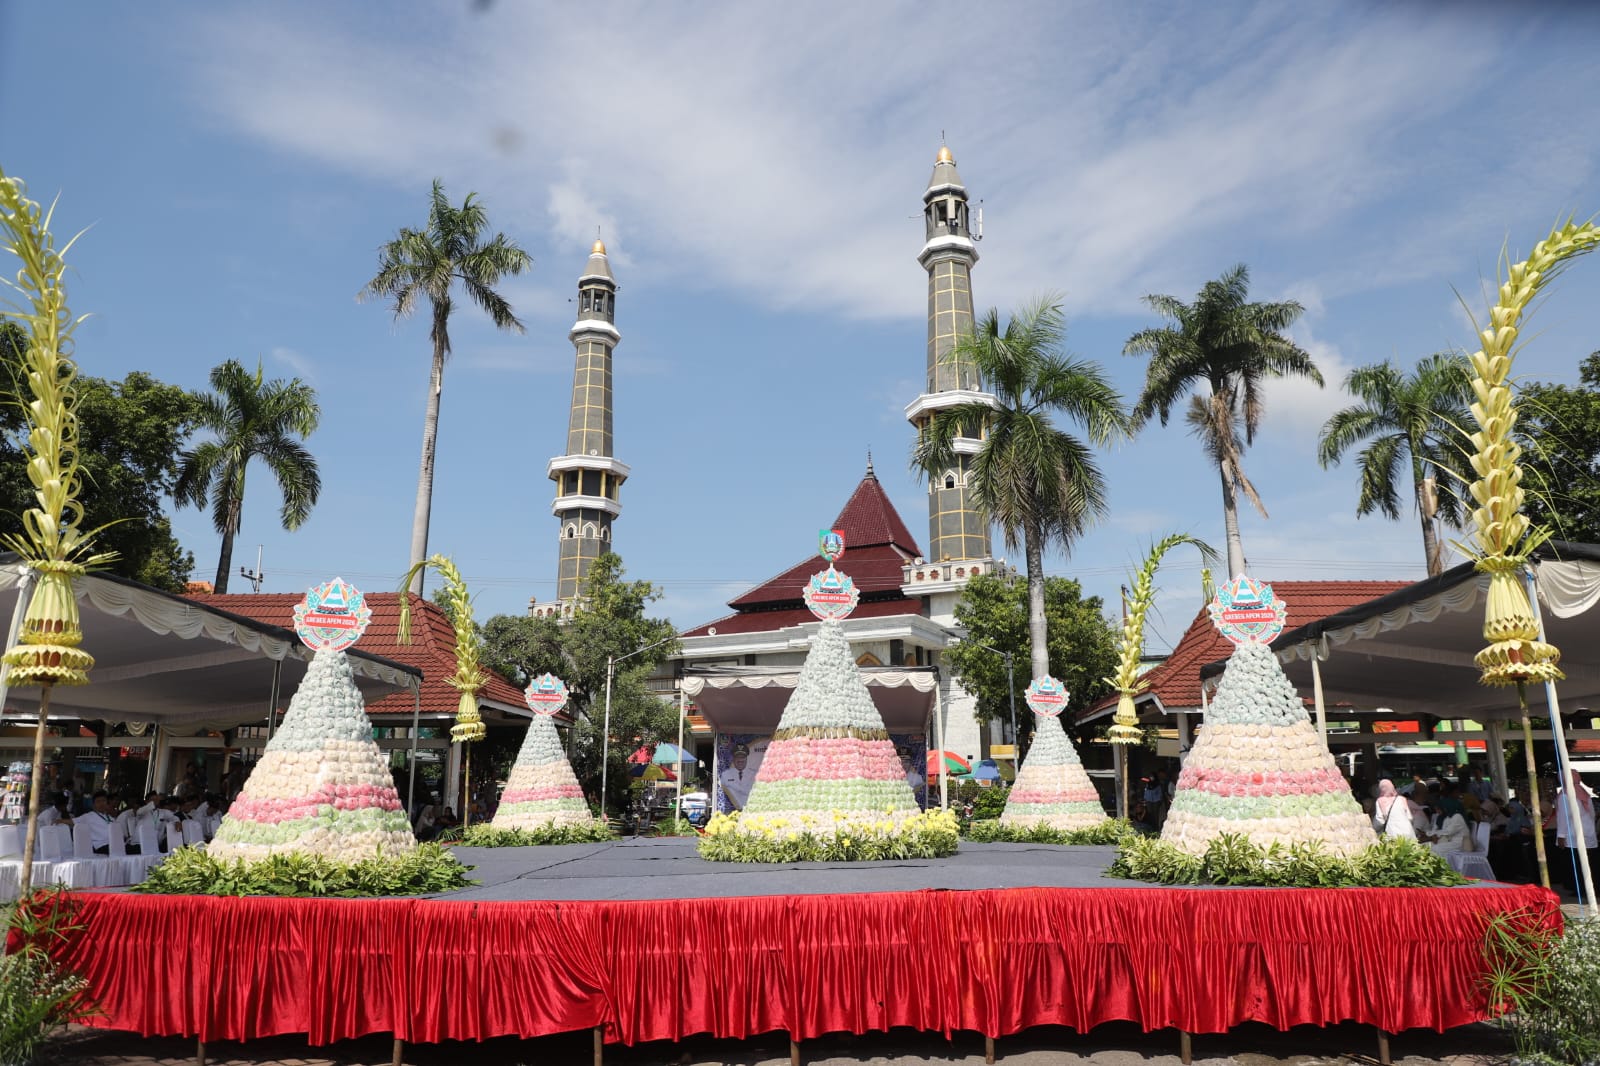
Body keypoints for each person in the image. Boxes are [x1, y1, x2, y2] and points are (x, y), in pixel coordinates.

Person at [1554, 768, 1597, 898]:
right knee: (1589, 863)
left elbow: (1564, 817)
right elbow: (1592, 815)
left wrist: (1561, 836)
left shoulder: (1565, 795)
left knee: (1575, 864)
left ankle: (1579, 889)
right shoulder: (1584, 793)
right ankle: (1590, 889)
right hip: (1588, 833)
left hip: (1572, 835)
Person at [719, 744, 756, 811]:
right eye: (737, 757)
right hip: (731, 810)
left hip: (751, 810)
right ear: (733, 759)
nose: (740, 760)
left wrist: (732, 785)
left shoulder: (754, 774)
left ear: (746, 758)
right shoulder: (725, 775)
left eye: (743, 757)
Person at [84, 790, 117, 855]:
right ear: (93, 805)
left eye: (103, 801)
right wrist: (59, 821)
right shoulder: (89, 816)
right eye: (98, 801)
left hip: (114, 844)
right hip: (100, 845)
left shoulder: (111, 818)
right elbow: (71, 821)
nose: (101, 804)